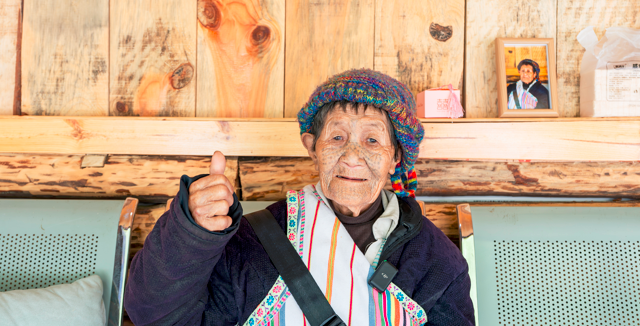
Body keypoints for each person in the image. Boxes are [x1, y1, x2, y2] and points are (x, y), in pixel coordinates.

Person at [124, 69, 475, 325]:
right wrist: (191, 231)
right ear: (312, 147)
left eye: (371, 140)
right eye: (337, 138)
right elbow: (153, 314)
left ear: (395, 157)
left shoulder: (436, 262)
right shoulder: (253, 241)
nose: (352, 156)